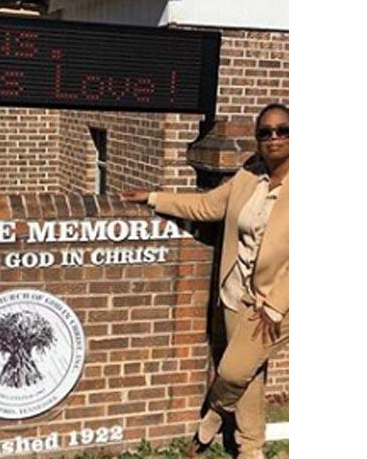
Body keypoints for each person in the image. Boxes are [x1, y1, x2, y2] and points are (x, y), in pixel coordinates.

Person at [122, 103, 289, 458]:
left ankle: (211, 417)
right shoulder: (248, 177)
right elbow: (207, 206)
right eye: (265, 132)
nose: (274, 137)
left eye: (282, 130)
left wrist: (275, 307)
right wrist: (154, 198)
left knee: (232, 370)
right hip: (235, 295)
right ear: (257, 140)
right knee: (250, 376)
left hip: (276, 304)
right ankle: (250, 448)